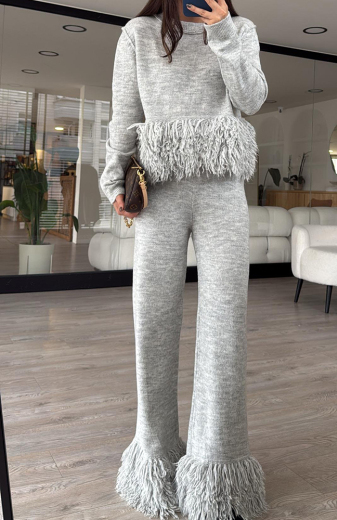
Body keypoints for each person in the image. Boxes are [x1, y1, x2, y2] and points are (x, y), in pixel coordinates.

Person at [99, 1, 269, 519]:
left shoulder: (239, 29)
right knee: (153, 323)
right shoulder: (139, 33)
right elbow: (126, 113)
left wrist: (223, 32)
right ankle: (154, 461)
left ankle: (218, 474)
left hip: (222, 191)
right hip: (160, 190)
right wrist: (114, 178)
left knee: (224, 328)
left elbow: (252, 99)